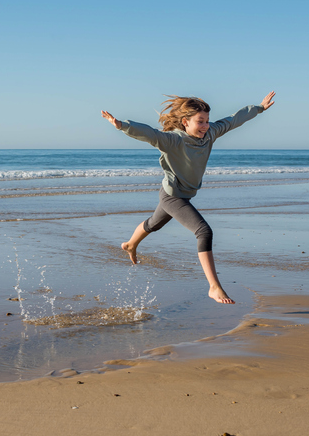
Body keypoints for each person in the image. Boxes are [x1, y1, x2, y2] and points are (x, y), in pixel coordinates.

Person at [101, 91, 275, 304]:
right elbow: (151, 134)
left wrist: (258, 108)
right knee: (204, 231)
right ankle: (214, 286)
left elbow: (233, 120)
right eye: (200, 121)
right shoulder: (173, 140)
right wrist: (122, 125)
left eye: (207, 121)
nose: (205, 126)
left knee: (154, 224)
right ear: (185, 122)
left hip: (181, 194)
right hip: (173, 196)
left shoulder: (210, 134)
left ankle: (129, 244)